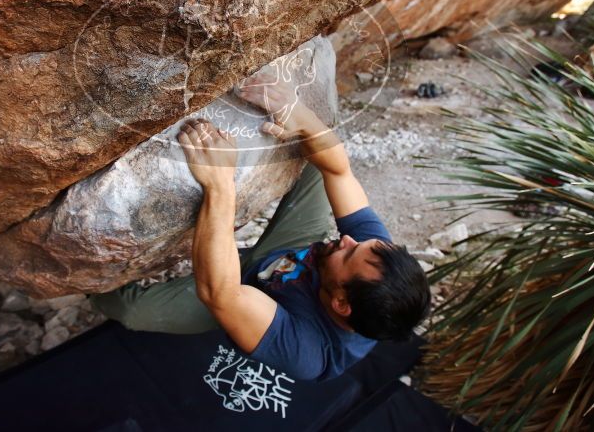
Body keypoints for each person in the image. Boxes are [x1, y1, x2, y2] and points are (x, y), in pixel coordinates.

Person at [92, 71, 431, 382]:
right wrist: (299, 116)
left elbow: (221, 294)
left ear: (342, 304)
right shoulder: (374, 260)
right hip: (294, 250)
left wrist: (220, 182)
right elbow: (339, 171)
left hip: (245, 289)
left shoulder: (309, 352)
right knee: (319, 152)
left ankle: (92, 286)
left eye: (350, 253)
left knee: (131, 311)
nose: (347, 238)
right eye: (361, 243)